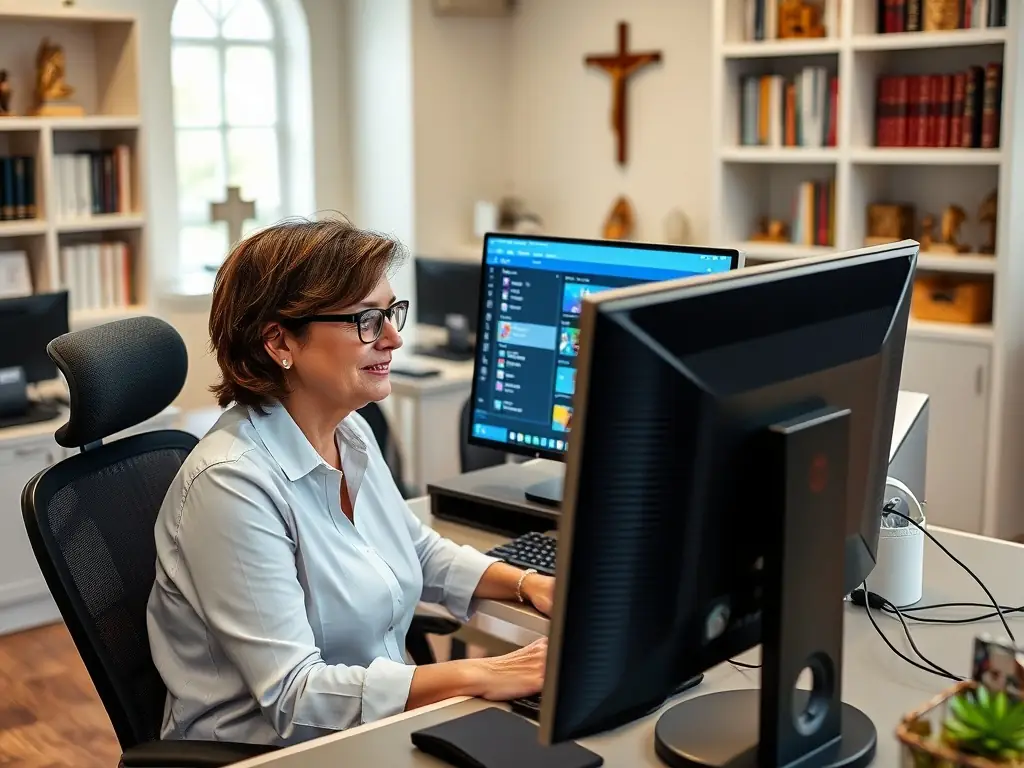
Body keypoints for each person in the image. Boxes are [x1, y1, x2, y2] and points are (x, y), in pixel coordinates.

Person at [146, 217, 555, 747]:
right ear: (279, 341)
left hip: (372, 728)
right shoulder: (231, 484)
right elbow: (296, 696)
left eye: (390, 312)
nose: (394, 337)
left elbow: (418, 551)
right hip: (272, 753)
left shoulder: (349, 431)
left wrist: (528, 583)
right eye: (366, 320)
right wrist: (481, 674)